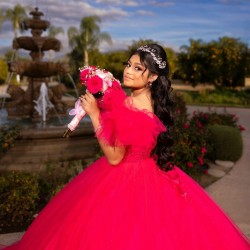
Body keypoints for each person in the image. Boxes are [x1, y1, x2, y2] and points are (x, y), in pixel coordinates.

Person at [2, 44, 250, 249]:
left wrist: (94, 114)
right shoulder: (143, 103)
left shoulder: (134, 111)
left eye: (138, 68)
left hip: (125, 176)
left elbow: (113, 157)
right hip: (153, 172)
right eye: (128, 65)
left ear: (152, 77)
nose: (129, 71)